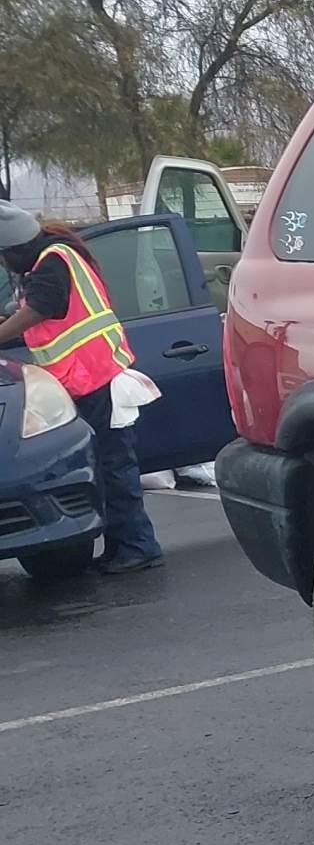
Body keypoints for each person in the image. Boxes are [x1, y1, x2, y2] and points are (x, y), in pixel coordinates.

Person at [0, 202, 162, 572]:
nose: (3, 266)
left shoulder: (55, 260)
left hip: (99, 378)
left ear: (13, 249)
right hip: (88, 380)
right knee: (108, 467)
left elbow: (39, 310)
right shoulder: (51, 262)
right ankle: (125, 546)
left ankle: (139, 546)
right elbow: (34, 317)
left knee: (114, 466)